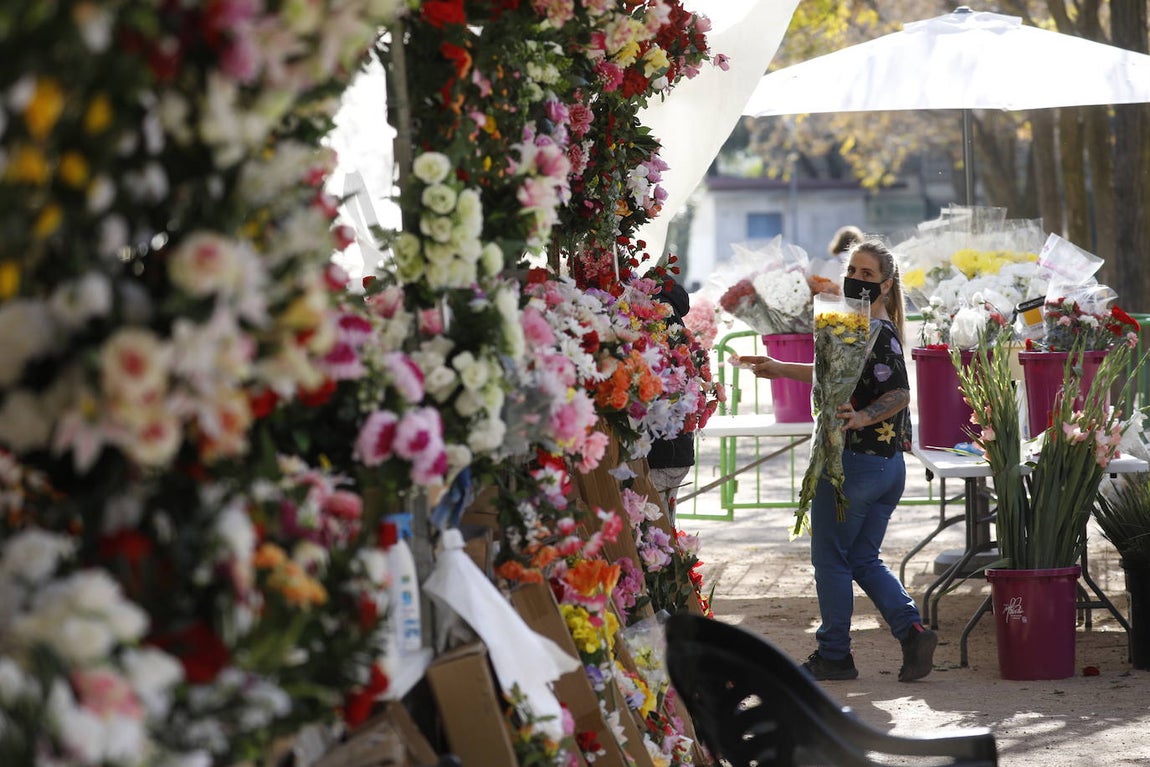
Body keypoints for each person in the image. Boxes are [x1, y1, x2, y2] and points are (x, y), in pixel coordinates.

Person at [737, 237, 937, 683]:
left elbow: (901, 392)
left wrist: (861, 416)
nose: (856, 279)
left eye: (867, 274)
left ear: (886, 286)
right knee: (863, 558)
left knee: (830, 558)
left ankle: (834, 655)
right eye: (853, 271)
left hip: (855, 466)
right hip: (885, 467)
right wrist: (778, 367)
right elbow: (836, 374)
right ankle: (912, 630)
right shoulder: (863, 325)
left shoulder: (877, 331)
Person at [647, 279, 695, 525]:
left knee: (657, 530)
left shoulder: (658, 319)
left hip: (662, 453)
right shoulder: (677, 329)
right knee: (665, 527)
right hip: (676, 452)